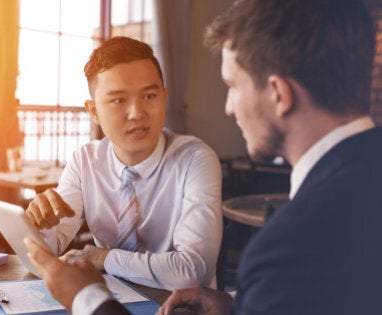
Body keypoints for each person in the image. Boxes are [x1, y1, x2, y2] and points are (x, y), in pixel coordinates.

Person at [27, 0, 382, 314]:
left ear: (278, 93)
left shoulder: (286, 243)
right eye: (118, 99)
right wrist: (236, 302)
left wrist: (87, 298)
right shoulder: (356, 194)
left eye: (232, 86)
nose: (228, 108)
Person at [23, 36, 223, 305]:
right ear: (93, 111)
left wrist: (103, 257)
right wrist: (39, 227)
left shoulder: (195, 160)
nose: (137, 113)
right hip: (108, 303)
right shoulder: (85, 161)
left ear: (164, 98)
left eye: (149, 96)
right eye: (118, 100)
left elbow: (192, 273)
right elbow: (50, 249)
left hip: (182, 309)